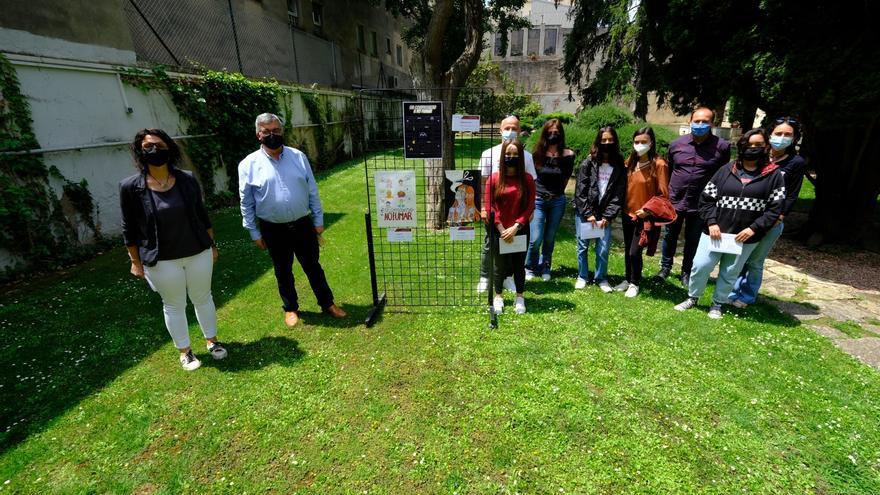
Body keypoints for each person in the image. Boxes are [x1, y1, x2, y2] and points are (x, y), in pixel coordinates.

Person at [119, 128, 227, 371]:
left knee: (203, 298)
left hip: (198, 252)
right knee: (174, 304)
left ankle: (212, 342)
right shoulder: (130, 187)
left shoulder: (187, 179)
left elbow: (202, 216)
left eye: (159, 145)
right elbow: (129, 229)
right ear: (140, 152)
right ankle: (185, 352)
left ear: (169, 147)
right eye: (148, 147)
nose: (154, 150)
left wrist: (212, 246)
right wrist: (135, 262)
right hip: (162, 260)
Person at [238, 113, 346, 327]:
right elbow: (246, 201)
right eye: (266, 131)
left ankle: (328, 303)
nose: (272, 134)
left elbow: (312, 190)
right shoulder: (248, 164)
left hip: (302, 224)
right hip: (272, 228)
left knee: (313, 266)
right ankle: (290, 308)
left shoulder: (298, 157)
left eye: (276, 130)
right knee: (282, 269)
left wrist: (318, 219)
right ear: (258, 134)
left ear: (282, 131)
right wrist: (254, 232)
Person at [675, 128, 786, 319]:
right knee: (700, 265)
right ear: (742, 146)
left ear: (766, 147)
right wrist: (711, 222)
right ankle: (693, 297)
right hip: (715, 233)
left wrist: (753, 229)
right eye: (749, 145)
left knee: (730, 271)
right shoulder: (726, 170)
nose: (753, 148)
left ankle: (717, 304)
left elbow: (775, 209)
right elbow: (706, 198)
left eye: (758, 145)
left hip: (744, 237)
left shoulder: (774, 175)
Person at [728, 117, 806, 307]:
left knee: (755, 261)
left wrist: (780, 216)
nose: (782, 137)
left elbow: (791, 195)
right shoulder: (758, 155)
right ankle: (731, 291)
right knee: (738, 257)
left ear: (795, 138)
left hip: (770, 220)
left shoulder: (795, 162)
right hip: (747, 215)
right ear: (770, 135)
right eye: (778, 133)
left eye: (787, 135)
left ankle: (746, 296)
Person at [659, 107, 731, 287]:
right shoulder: (676, 144)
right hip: (675, 200)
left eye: (705, 121)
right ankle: (665, 267)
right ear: (690, 121)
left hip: (701, 203)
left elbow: (723, 175)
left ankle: (686, 271)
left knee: (693, 239)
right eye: (697, 121)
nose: (700, 125)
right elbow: (669, 170)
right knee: (670, 236)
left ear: (712, 124)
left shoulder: (721, 147)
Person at [477, 115, 537, 293]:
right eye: (507, 128)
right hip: (495, 211)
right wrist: (482, 207)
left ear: (519, 131)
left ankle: (508, 277)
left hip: (516, 211)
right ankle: (485, 276)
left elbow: (530, 183)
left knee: (514, 246)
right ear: (500, 130)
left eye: (514, 128)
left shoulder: (526, 157)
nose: (511, 131)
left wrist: (528, 212)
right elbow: (482, 182)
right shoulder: (488, 154)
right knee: (490, 245)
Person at [572, 126, 626, 292]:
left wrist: (608, 216)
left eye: (610, 140)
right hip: (585, 212)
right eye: (604, 140)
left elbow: (618, 193)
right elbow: (580, 189)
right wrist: (587, 214)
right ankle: (582, 276)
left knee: (602, 249)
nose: (607, 143)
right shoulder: (589, 162)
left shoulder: (619, 164)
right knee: (583, 247)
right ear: (598, 141)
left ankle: (601, 278)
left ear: (615, 141)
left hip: (604, 216)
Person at [486, 140, 536, 314]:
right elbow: (489, 206)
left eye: (515, 154)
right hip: (499, 229)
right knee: (499, 265)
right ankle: (498, 296)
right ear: (502, 156)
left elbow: (530, 206)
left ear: (521, 157)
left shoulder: (527, 179)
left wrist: (516, 227)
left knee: (518, 265)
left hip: (520, 230)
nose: (511, 157)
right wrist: (501, 229)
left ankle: (520, 297)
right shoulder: (494, 178)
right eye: (508, 154)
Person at [619, 127, 670, 298]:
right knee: (628, 249)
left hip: (643, 215)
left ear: (651, 143)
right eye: (636, 142)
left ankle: (635, 283)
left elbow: (663, 194)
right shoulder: (631, 161)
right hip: (627, 212)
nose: (639, 145)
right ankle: (627, 279)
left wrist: (647, 210)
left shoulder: (659, 164)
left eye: (643, 142)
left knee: (635, 251)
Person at [525, 119, 575, 281]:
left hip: (557, 201)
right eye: (550, 131)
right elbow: (531, 178)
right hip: (538, 200)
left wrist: (558, 192)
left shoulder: (568, 155)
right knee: (536, 237)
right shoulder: (536, 154)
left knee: (549, 237)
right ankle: (530, 266)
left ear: (561, 134)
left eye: (556, 132)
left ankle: (545, 265)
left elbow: (566, 178)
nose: (553, 134)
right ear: (545, 134)